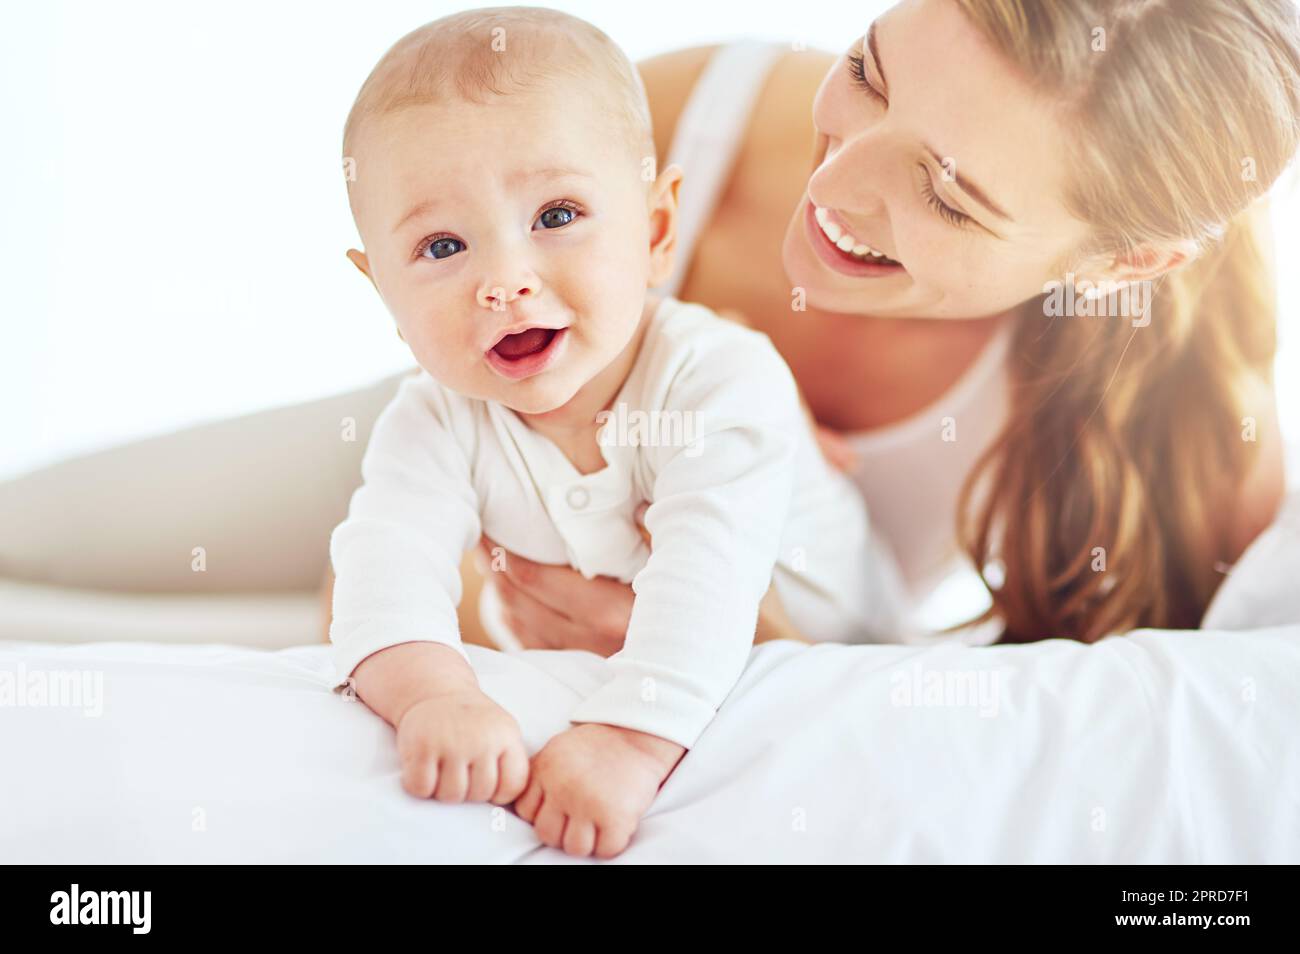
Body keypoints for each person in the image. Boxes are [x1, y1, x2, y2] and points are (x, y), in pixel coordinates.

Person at [1, 1, 1293, 712]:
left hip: (561, 632)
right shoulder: (708, 110)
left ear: (1120, 262)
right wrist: (433, 548)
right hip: (454, 457)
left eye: (951, 196)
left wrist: (745, 633)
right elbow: (444, 276)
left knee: (63, 656)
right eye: (867, 72)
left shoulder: (1182, 433)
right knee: (32, 534)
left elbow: (1030, 720)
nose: (834, 185)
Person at [329, 6, 909, 859]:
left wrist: (630, 740)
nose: (505, 281)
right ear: (382, 292)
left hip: (828, 644)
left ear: (657, 231)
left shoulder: (719, 381)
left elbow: (707, 590)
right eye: (443, 245)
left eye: (556, 216)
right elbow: (384, 567)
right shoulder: (433, 416)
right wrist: (432, 696)